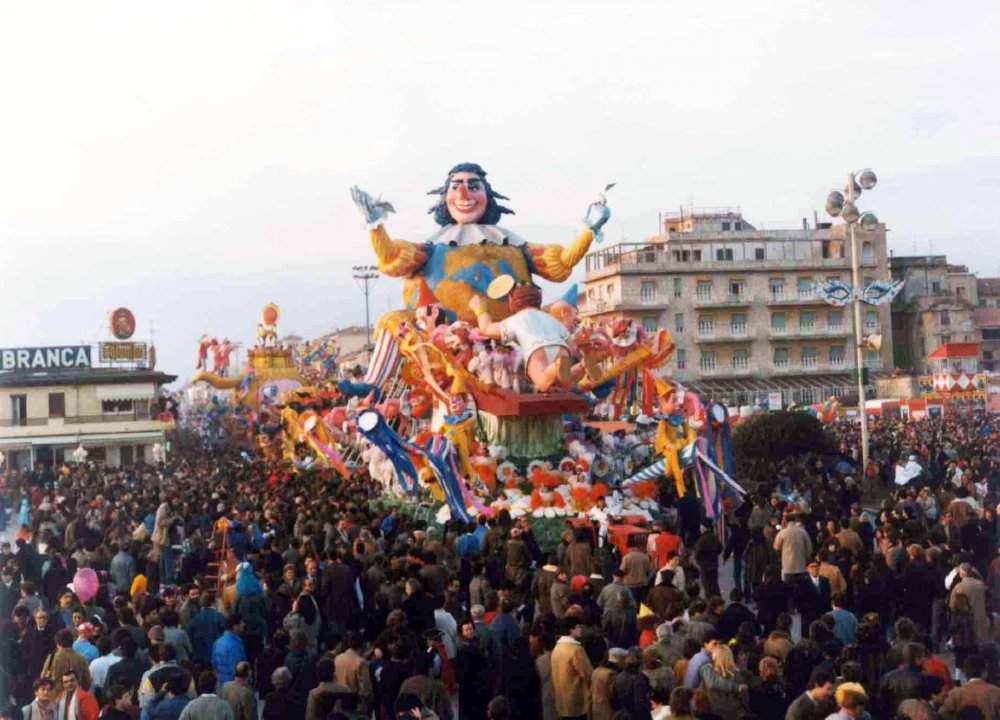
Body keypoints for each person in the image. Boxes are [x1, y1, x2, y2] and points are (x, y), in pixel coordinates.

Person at [551, 618, 593, 720]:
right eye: (578, 627)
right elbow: (588, 673)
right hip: (576, 699)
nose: (580, 629)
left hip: (561, 698)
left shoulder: (557, 648)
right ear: (571, 630)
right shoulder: (576, 650)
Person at [939, 654, 1000, 719]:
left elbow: (943, 713)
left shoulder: (955, 693)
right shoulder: (996, 692)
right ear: (985, 671)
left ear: (965, 672)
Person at [773, 514, 813, 584]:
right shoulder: (803, 532)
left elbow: (776, 548)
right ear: (795, 521)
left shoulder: (782, 533)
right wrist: (806, 560)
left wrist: (780, 558)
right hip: (801, 566)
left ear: (786, 521)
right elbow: (809, 549)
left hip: (787, 567)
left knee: (789, 589)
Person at [210, 618, 246, 686]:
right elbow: (236, 668)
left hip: (221, 682)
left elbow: (214, 663)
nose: (244, 625)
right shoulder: (235, 644)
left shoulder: (217, 642)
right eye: (241, 623)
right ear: (235, 626)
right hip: (233, 684)